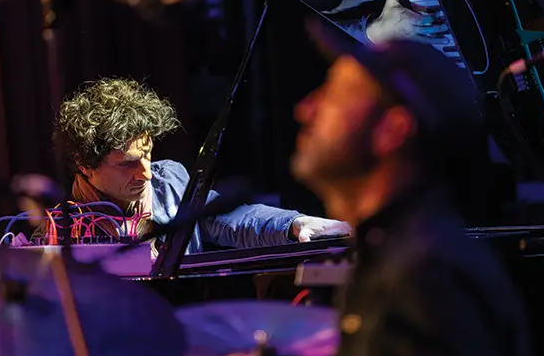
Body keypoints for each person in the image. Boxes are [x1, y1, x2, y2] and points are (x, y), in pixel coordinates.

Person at [292, 26, 544, 356]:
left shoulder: (428, 278)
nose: (305, 108)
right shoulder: (390, 257)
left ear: (393, 130)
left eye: (335, 95)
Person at [31, 77, 351, 252]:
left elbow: (233, 219)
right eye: (127, 164)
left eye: (147, 154)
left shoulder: (168, 181)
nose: (144, 172)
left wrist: (294, 224)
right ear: (85, 165)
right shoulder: (57, 233)